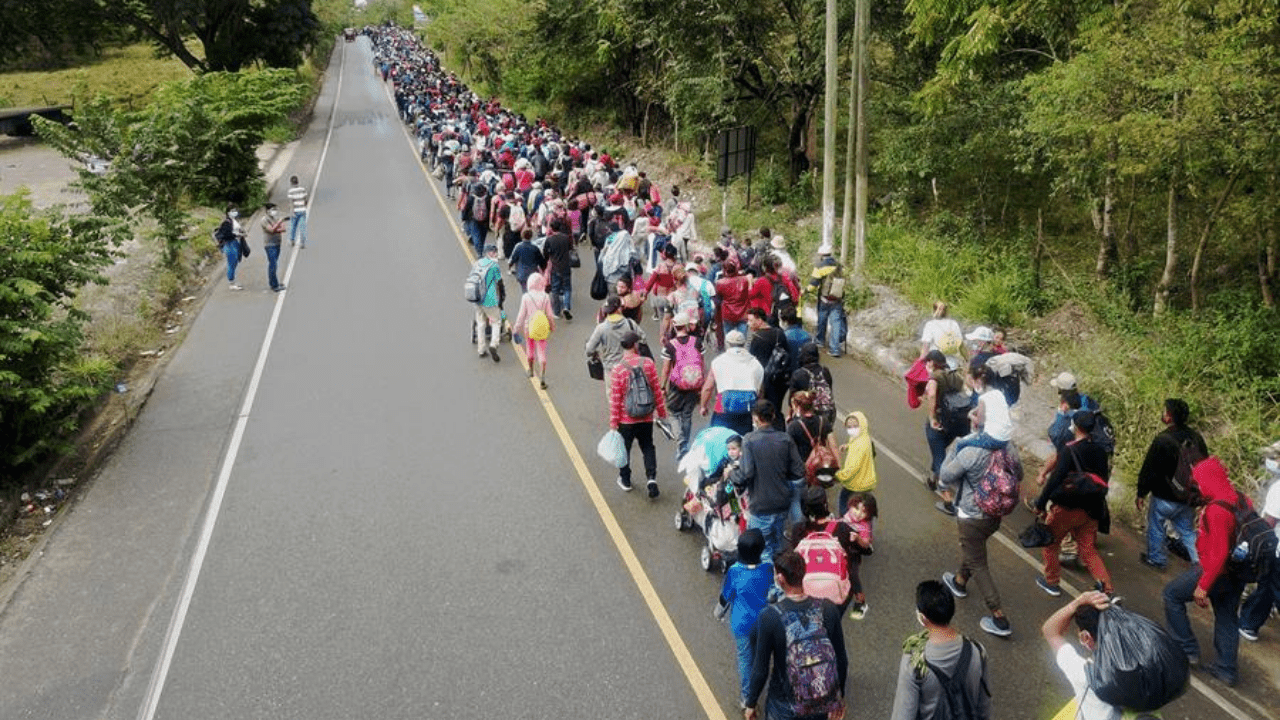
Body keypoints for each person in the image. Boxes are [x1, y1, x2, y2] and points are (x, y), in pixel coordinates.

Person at [1162, 453, 1250, 687]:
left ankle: (1186, 648)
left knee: (1171, 595)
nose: (1198, 486)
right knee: (1227, 618)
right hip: (1237, 571)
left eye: (1199, 481)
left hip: (1215, 570)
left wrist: (1203, 586)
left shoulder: (1216, 510)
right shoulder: (1241, 499)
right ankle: (1226, 670)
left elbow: (1219, 553)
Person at [743, 549, 847, 720]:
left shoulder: (770, 616)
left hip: (784, 706)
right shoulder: (828, 609)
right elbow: (841, 659)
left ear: (781, 578)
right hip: (820, 704)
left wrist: (751, 703)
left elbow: (760, 669)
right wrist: (838, 698)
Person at [937, 440, 1021, 638]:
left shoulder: (971, 450)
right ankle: (959, 581)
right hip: (995, 515)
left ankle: (999, 617)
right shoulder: (1009, 448)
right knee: (973, 549)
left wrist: (953, 448)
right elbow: (1020, 475)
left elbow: (946, 475)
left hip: (971, 516)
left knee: (978, 564)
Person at [1031, 410, 1115, 597]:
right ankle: (1107, 589)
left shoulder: (1070, 449)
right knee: (1088, 550)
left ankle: (1051, 582)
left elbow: (1055, 479)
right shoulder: (1101, 451)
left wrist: (1040, 503)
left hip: (1067, 507)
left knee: (1051, 544)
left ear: (1075, 427)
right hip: (1091, 509)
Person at [890, 580, 991, 720]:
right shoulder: (977, 651)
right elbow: (983, 705)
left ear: (923, 617)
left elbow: (903, 714)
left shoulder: (914, 661)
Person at [1136, 398, 1209, 570]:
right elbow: (1205, 466)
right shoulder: (1197, 438)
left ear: (1169, 416)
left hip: (1164, 496)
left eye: (1165, 412)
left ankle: (1156, 559)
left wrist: (1141, 492)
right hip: (1187, 497)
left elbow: (1149, 469)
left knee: (1156, 526)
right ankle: (1201, 564)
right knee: (1187, 531)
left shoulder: (1163, 439)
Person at [729, 400, 806, 562]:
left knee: (762, 549)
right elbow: (799, 470)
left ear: (756, 418)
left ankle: (768, 583)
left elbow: (746, 473)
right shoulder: (785, 439)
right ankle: (780, 580)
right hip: (781, 503)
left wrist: (731, 474)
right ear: (773, 416)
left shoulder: (749, 440)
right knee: (778, 547)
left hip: (760, 505)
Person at [1040, 590, 1122, 720]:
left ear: (1086, 638)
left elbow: (1050, 631)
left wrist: (1077, 603)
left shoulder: (1085, 674)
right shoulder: (1146, 665)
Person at [715, 529, 774, 709]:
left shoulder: (735, 571)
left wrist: (718, 613)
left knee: (745, 660)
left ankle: (747, 698)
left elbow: (726, 596)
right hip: (764, 622)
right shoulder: (768, 567)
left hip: (742, 624)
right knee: (761, 658)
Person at [608, 331, 668, 498]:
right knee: (648, 446)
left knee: (624, 449)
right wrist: (661, 413)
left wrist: (613, 423)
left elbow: (616, 398)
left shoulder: (618, 369)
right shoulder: (648, 364)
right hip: (646, 416)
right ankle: (651, 479)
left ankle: (625, 480)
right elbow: (656, 390)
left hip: (626, 419)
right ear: (635, 345)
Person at [789, 486, 864, 614]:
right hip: (834, 594)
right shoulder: (842, 529)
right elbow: (853, 563)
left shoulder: (798, 530)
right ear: (825, 504)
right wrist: (858, 591)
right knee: (833, 623)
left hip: (807, 592)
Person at [1239, 456, 1280, 641]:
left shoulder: (1279, 489)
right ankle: (1249, 624)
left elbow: (1269, 522)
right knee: (1267, 588)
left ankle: (1248, 623)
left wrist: (1250, 542)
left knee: (1271, 587)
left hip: (1276, 549)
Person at [923, 350, 973, 494]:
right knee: (939, 450)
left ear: (931, 363)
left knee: (939, 455)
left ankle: (947, 497)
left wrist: (932, 418)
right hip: (955, 423)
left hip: (940, 421)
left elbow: (932, 395)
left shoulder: (935, 377)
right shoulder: (956, 376)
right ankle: (932, 481)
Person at [700, 330, 764, 437]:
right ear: (744, 344)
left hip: (723, 407)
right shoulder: (755, 363)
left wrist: (703, 406)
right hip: (746, 409)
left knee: (720, 437)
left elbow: (708, 387)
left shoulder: (718, 361)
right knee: (743, 438)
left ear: (727, 344)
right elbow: (759, 391)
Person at [659, 312, 704, 461]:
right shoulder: (697, 342)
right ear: (686, 326)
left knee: (672, 412)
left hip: (677, 384)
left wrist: (662, 387)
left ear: (675, 326)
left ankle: (681, 442)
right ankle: (685, 443)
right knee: (687, 415)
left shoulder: (670, 346)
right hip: (694, 383)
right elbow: (701, 363)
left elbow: (666, 369)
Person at [585, 296, 646, 381]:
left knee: (612, 393)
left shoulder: (601, 328)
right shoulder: (630, 324)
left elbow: (589, 349)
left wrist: (595, 353)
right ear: (619, 309)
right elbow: (643, 338)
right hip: (629, 368)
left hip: (611, 370)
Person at [513, 272, 555, 388]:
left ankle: (531, 370)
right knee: (541, 352)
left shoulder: (526, 297)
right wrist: (552, 326)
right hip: (541, 326)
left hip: (529, 327)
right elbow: (550, 315)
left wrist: (516, 329)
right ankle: (542, 376)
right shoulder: (545, 296)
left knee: (530, 349)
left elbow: (521, 315)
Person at [806, 245, 846, 357]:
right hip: (837, 298)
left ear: (821, 255)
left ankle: (820, 341)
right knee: (836, 323)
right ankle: (835, 349)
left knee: (822, 319)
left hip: (824, 298)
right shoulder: (839, 265)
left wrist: (806, 291)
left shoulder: (820, 266)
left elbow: (814, 283)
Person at [834, 411, 877, 516]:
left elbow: (852, 468)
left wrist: (838, 476)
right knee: (864, 510)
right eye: (849, 426)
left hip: (855, 484)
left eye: (855, 426)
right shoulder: (864, 438)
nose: (852, 429)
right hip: (865, 482)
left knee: (845, 502)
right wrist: (848, 446)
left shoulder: (859, 446)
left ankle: (844, 524)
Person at [469, 244, 505, 362]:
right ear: (491, 253)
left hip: (477, 298)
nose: (495, 254)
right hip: (490, 300)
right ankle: (493, 344)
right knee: (496, 322)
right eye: (494, 252)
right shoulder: (494, 266)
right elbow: (499, 283)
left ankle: (481, 349)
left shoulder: (477, 263)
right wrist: (502, 297)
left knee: (480, 324)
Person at [790, 342, 837, 430]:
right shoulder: (825, 371)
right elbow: (830, 390)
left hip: (810, 415)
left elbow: (792, 400)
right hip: (829, 413)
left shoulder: (798, 374)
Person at [542, 215, 575, 320]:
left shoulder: (549, 240)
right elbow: (571, 248)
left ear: (551, 228)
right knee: (567, 288)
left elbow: (545, 253)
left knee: (555, 289)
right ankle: (566, 306)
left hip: (555, 267)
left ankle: (556, 311)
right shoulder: (566, 238)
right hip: (566, 266)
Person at [919, 301, 965, 368]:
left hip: (936, 364)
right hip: (953, 364)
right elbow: (961, 345)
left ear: (933, 311)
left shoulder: (930, 325)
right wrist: (967, 360)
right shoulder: (953, 324)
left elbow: (925, 347)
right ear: (946, 311)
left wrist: (920, 361)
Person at [715, 259, 752, 338]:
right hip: (743, 314)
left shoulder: (720, 283)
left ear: (724, 270)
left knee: (729, 338)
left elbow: (718, 299)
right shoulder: (745, 280)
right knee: (741, 339)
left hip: (728, 314)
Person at [214, 205, 247, 291]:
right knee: (232, 263)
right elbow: (227, 235)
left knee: (235, 262)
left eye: (235, 210)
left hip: (236, 243)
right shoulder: (226, 223)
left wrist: (241, 233)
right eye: (232, 211)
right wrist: (238, 235)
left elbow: (236, 230)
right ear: (228, 213)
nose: (234, 212)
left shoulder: (234, 221)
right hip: (230, 244)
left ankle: (232, 281)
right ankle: (231, 283)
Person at [259, 203, 286, 292]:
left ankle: (273, 282)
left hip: (277, 243)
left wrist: (277, 227)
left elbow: (283, 229)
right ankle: (274, 285)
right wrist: (278, 223)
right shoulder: (264, 220)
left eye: (275, 209)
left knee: (274, 264)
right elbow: (271, 229)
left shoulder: (274, 218)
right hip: (270, 245)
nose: (275, 211)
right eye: (273, 209)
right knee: (273, 264)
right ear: (267, 211)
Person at [508, 228, 545, 292]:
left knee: (524, 290)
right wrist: (543, 271)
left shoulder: (518, 246)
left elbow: (512, 259)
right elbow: (541, 261)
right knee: (534, 290)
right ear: (531, 236)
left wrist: (510, 267)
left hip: (522, 273)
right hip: (533, 272)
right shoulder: (535, 247)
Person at [287, 175, 308, 248]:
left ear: (291, 183)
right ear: (298, 182)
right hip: (302, 210)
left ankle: (292, 240)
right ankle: (302, 243)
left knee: (293, 226)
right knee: (302, 227)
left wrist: (292, 211)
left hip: (295, 211)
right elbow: (305, 200)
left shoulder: (290, 191)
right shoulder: (303, 189)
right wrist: (304, 206)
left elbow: (291, 202)